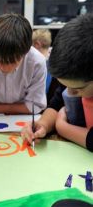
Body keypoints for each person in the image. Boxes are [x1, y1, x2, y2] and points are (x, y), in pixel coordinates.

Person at [21, 14, 93, 152]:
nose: (70, 93)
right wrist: (43, 124)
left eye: (78, 89)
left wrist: (62, 127)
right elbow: (56, 104)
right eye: (66, 86)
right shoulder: (72, 75)